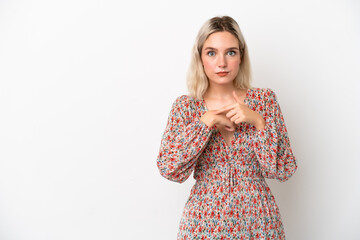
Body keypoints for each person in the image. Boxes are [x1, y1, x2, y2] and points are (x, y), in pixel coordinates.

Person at [156, 15, 297, 239]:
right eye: (211, 52)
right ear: (200, 57)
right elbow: (170, 169)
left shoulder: (264, 101)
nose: (222, 62)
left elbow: (283, 170)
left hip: (259, 222)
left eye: (230, 52)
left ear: (241, 56)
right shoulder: (186, 107)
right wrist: (206, 122)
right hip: (203, 224)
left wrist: (258, 122)